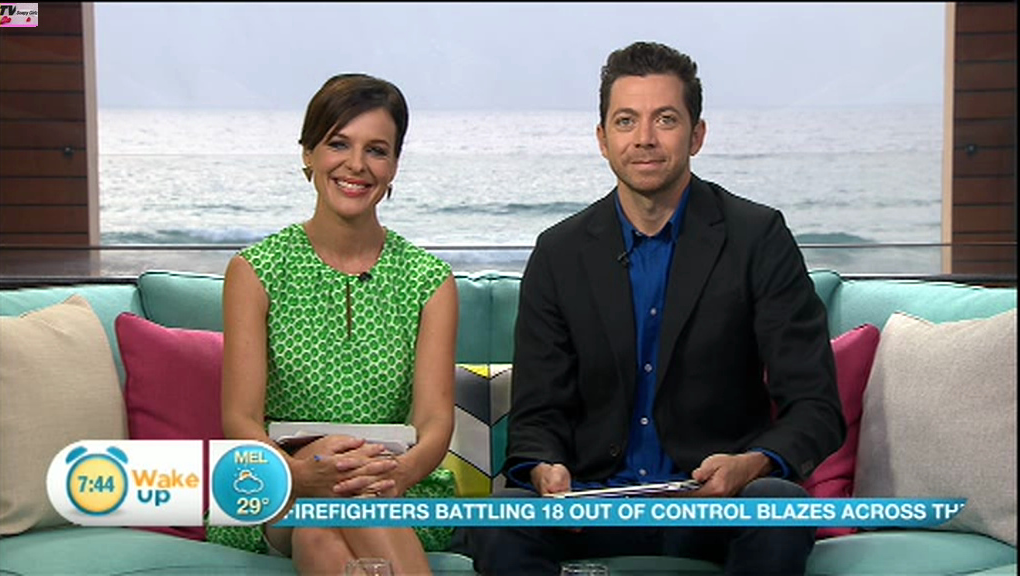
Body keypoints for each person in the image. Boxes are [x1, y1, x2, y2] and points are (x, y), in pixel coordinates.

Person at [453, 41, 845, 575]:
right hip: (591, 505)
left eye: (665, 119)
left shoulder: (757, 237)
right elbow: (537, 413)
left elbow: (815, 405)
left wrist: (750, 465)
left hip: (716, 504)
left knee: (779, 507)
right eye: (626, 121)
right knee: (501, 519)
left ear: (696, 134)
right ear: (602, 139)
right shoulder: (560, 253)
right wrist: (544, 468)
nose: (644, 138)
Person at [211, 73, 458, 575]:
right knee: (332, 498)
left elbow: (435, 421)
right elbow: (240, 419)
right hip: (281, 484)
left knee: (323, 525)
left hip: (392, 484)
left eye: (377, 150)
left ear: (393, 165)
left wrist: (399, 472)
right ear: (308, 154)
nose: (356, 165)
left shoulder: (429, 281)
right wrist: (300, 475)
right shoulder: (256, 271)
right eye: (338, 144)